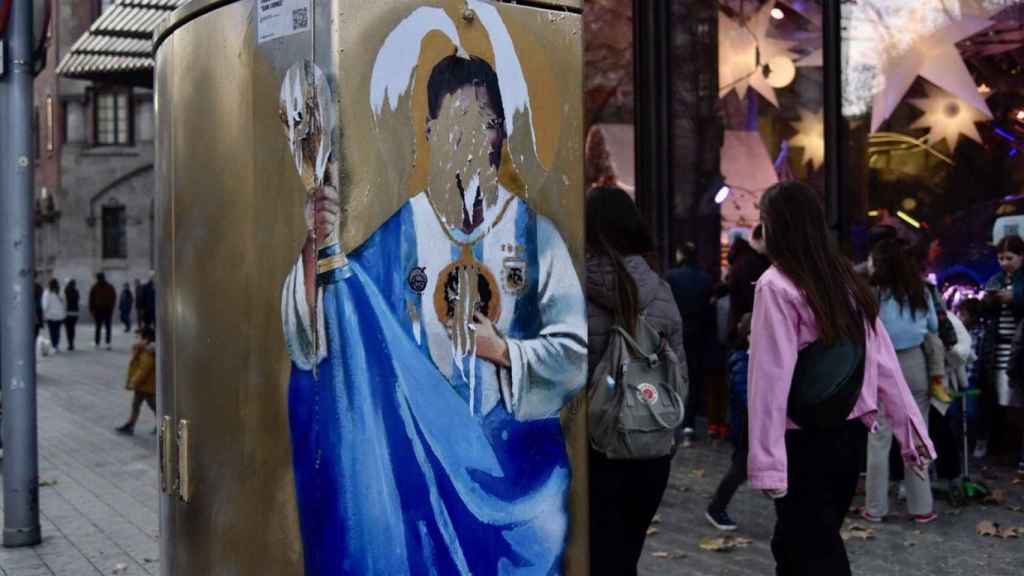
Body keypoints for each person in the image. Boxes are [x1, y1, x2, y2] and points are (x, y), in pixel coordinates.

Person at [280, 51, 587, 573]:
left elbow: (574, 352)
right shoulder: (398, 236)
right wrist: (319, 246)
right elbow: (334, 333)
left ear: (502, 133)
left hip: (515, 470)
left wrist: (504, 351)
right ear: (430, 130)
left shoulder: (534, 236)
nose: (468, 139)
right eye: (454, 122)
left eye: (484, 122)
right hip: (419, 478)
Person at [748, 182, 934, 576]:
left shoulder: (776, 285)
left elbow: (769, 380)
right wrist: (911, 433)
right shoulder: (845, 280)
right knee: (799, 545)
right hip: (848, 435)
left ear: (776, 226)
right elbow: (883, 364)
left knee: (813, 552)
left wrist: (766, 461)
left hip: (803, 439)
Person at [585, 186, 684, 576]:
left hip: (594, 452)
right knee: (624, 559)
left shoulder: (570, 287)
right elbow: (680, 377)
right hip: (650, 449)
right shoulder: (661, 291)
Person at [861, 238, 940, 524]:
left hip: (883, 365)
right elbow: (933, 326)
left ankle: (875, 508)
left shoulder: (872, 294)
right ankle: (922, 508)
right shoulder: (921, 291)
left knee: (879, 436)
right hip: (915, 362)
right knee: (917, 434)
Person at [979, 235, 1024, 466]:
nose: (1005, 262)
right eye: (1000, 258)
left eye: (1010, 257)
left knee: (1017, 400)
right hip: (999, 348)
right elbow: (985, 312)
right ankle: (1002, 448)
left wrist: (1014, 298)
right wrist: (990, 301)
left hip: (1019, 348)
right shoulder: (995, 279)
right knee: (999, 399)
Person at [706, 312, 752, 531]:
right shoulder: (742, 360)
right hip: (745, 428)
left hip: (751, 426)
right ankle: (716, 508)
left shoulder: (753, 358)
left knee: (742, 468)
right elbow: (745, 397)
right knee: (740, 469)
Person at [666, 241, 712, 447]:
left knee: (672, 376)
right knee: (694, 378)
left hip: (676, 332)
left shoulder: (671, 277)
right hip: (699, 334)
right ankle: (689, 425)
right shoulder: (706, 279)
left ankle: (669, 421)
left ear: (681, 254)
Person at [116, 327, 157, 435]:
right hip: (142, 385)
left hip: (146, 385)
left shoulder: (148, 352)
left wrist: (134, 381)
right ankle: (130, 424)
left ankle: (161, 424)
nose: (135, 339)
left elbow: (144, 370)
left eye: (138, 337)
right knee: (136, 404)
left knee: (153, 405)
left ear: (146, 339)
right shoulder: (142, 350)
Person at [89, 272, 116, 350]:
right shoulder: (109, 287)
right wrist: (111, 307)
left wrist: (92, 309)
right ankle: (107, 343)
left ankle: (98, 342)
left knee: (98, 327)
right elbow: (113, 297)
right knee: (107, 327)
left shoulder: (95, 287)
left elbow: (91, 300)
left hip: (99, 310)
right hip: (106, 310)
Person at [41, 278, 66, 352]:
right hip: (59, 316)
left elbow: (45, 305)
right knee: (57, 331)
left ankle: (54, 346)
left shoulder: (47, 292)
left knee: (52, 331)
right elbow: (64, 303)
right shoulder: (60, 292)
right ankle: (56, 345)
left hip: (50, 316)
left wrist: (43, 313)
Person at [64, 279, 80, 351]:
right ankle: (72, 343)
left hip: (67, 312)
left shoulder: (66, 291)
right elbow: (77, 300)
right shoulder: (76, 292)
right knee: (72, 328)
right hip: (75, 312)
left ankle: (70, 343)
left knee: (68, 329)